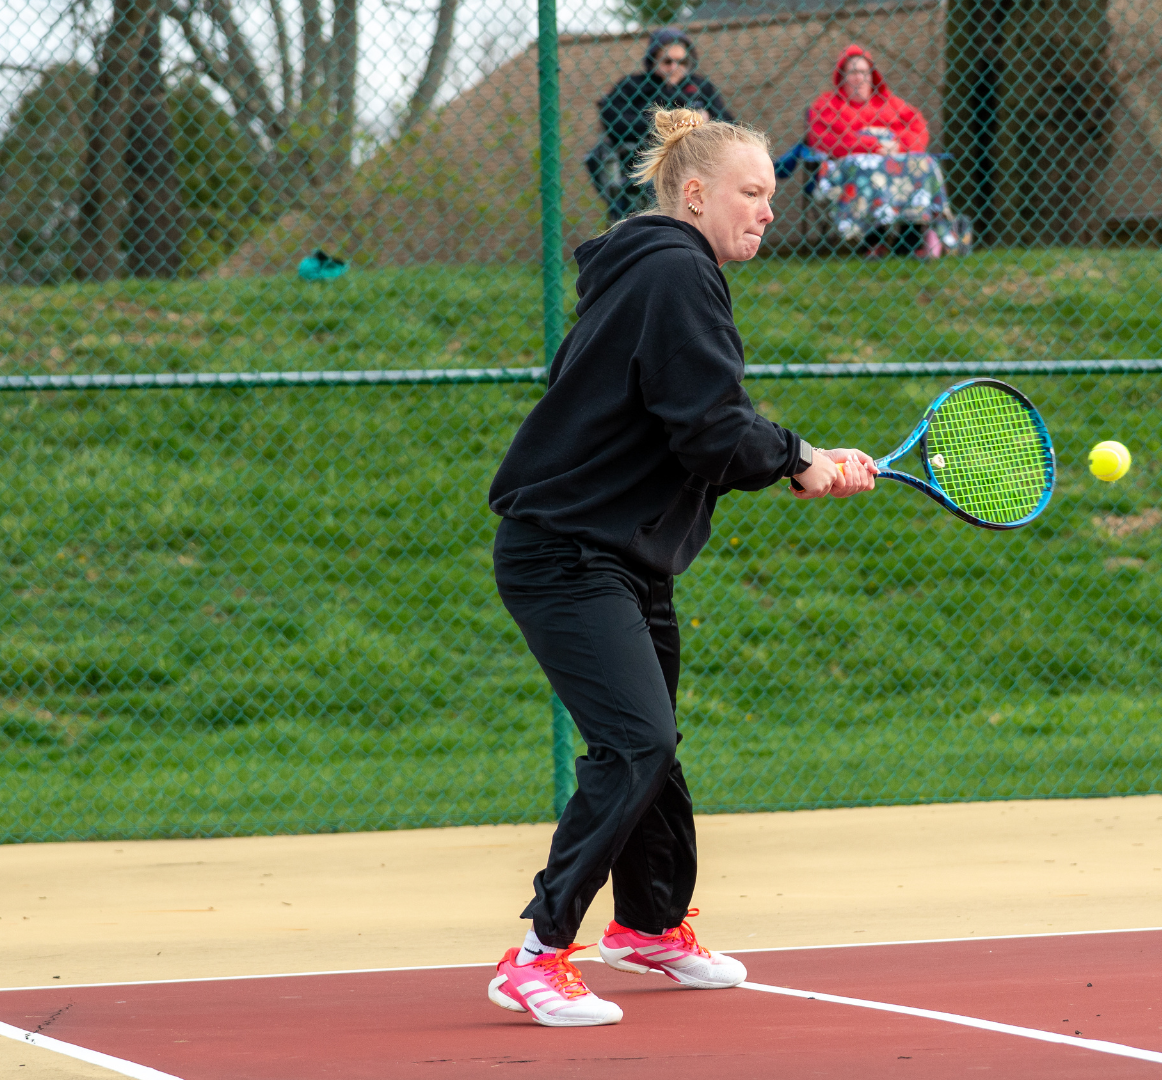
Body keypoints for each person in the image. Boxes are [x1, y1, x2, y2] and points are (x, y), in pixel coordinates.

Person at [485, 107, 876, 1027]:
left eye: (772, 197)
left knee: (652, 746)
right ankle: (537, 955)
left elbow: (690, 415)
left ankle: (651, 926)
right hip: (567, 554)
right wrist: (794, 460)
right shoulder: (672, 270)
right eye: (751, 193)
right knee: (637, 744)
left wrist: (795, 453)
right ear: (694, 194)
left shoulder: (655, 269)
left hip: (619, 554)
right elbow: (707, 426)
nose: (769, 212)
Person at [804, 44, 963, 258]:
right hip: (849, 168)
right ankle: (873, 240)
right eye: (852, 72)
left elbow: (918, 129)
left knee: (923, 163)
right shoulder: (827, 105)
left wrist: (898, 145)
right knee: (864, 166)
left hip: (896, 161)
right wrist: (875, 146)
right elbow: (828, 139)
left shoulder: (890, 103)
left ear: (872, 75)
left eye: (863, 71)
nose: (858, 77)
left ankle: (910, 237)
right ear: (841, 77)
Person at [587, 30, 736, 223]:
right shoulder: (634, 85)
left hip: (695, 157)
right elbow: (612, 118)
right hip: (644, 157)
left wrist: (704, 122)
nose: (674, 67)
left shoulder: (699, 86)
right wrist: (663, 124)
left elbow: (728, 122)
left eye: (681, 62)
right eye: (667, 62)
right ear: (653, 61)